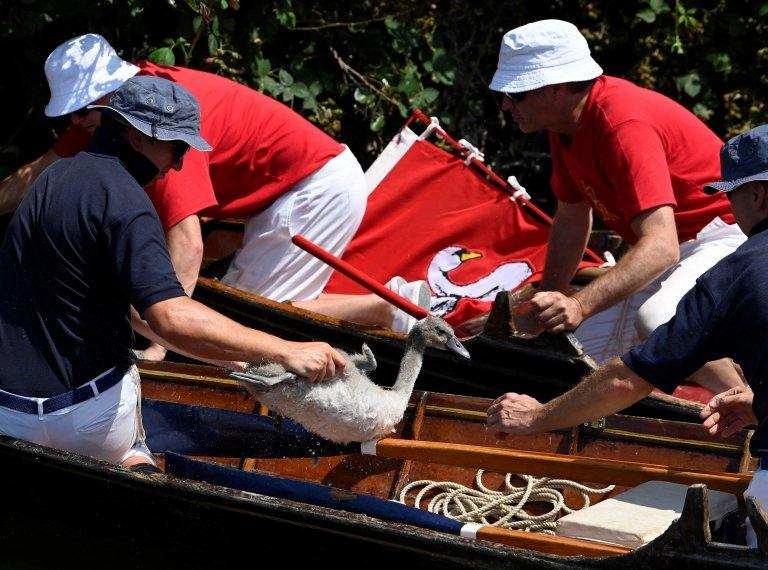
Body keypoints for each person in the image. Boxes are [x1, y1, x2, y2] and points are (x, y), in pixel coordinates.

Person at [0, 34, 431, 362]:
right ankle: (385, 305)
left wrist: (161, 343)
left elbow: (188, 241)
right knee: (244, 311)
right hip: (295, 187)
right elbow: (34, 175)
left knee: (239, 329)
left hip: (315, 188)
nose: (74, 124)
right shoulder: (120, 108)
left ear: (107, 98)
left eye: (79, 112)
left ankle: (379, 313)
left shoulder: (153, 124)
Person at [0, 75, 346, 471]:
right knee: (132, 435)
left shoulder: (48, 181)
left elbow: (128, 310)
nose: (180, 162)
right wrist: (289, 350)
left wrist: (226, 353)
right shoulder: (130, 204)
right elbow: (168, 316)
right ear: (137, 138)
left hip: (8, 414)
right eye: (177, 147)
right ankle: (138, 461)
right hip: (85, 424)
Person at [487, 123, 768, 547]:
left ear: (757, 195)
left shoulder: (734, 275)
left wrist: (536, 417)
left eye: (730, 195)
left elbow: (627, 379)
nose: (729, 207)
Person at [479, 19, 747, 393]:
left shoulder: (623, 124)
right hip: (675, 250)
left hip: (729, 238)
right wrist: (544, 310)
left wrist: (579, 305)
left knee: (659, 322)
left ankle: (750, 417)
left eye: (516, 93)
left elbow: (661, 246)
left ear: (557, 88)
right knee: (574, 360)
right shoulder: (566, 125)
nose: (506, 105)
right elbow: (572, 218)